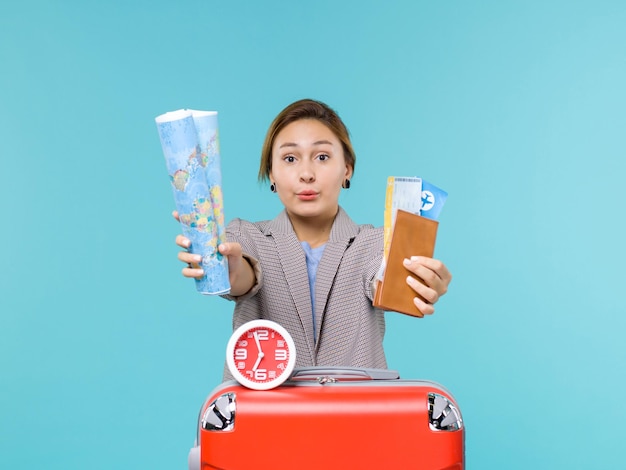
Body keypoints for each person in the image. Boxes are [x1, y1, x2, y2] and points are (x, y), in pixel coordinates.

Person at [174, 98, 452, 379]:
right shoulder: (246, 237)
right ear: (271, 172)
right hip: (265, 416)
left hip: (356, 415)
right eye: (290, 159)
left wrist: (417, 281)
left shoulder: (375, 243)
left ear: (347, 169)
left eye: (322, 157)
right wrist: (228, 269)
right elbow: (243, 274)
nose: (306, 174)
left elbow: (381, 273)